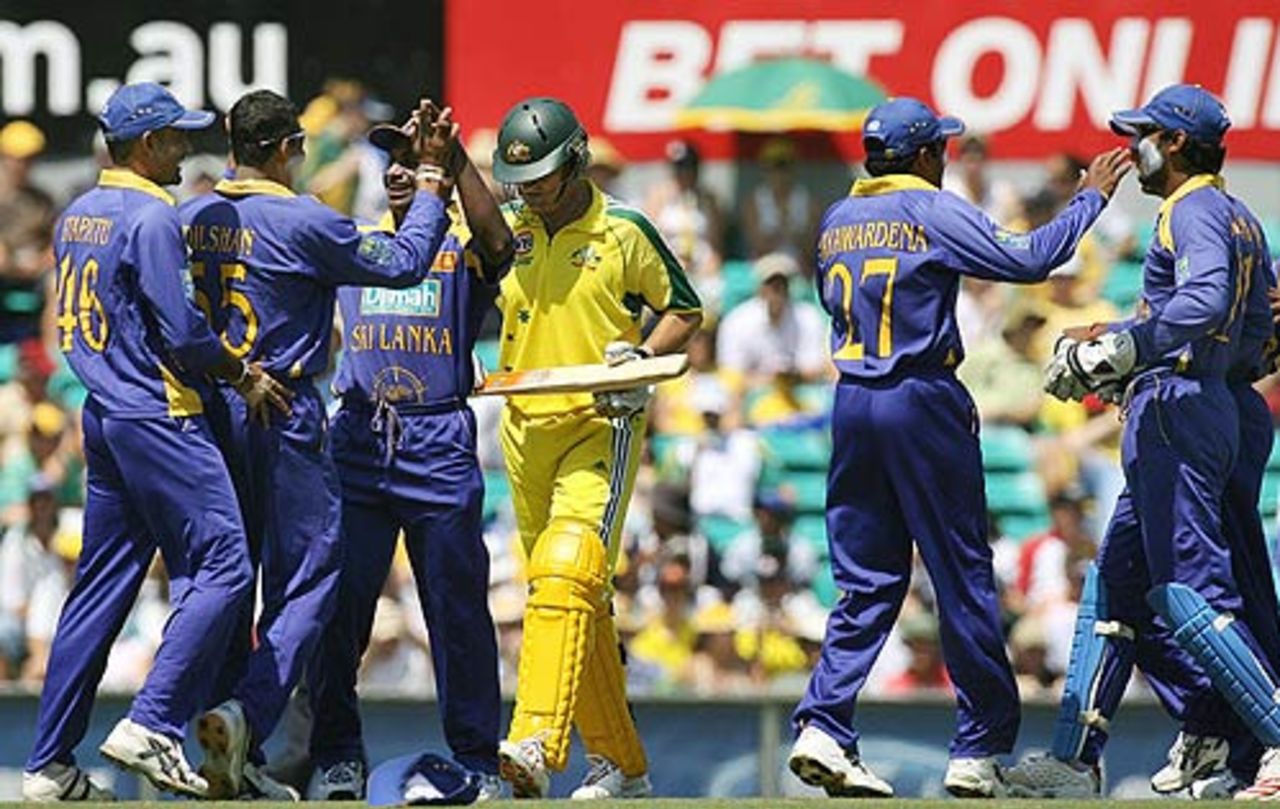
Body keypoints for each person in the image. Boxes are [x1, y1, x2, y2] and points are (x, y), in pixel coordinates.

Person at [785, 96, 1129, 799]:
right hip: (921, 397)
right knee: (961, 570)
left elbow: (830, 299)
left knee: (867, 577)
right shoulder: (929, 208)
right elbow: (1032, 258)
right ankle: (979, 744)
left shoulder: (838, 218)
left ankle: (823, 719)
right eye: (938, 149)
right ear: (921, 156)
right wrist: (1088, 200)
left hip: (851, 399)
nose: (943, 159)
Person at [179, 89, 456, 799]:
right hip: (284, 409)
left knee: (228, 578)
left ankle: (234, 759)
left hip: (214, 404)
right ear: (284, 150)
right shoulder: (302, 220)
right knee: (311, 577)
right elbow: (401, 262)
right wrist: (429, 184)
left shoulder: (192, 216)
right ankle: (245, 711)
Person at [1008, 84, 1280, 801]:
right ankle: (1076, 759)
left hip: (1179, 413)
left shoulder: (1188, 210)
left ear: (1179, 142)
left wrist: (1125, 349)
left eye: (1145, 134)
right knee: (1115, 583)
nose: (1135, 148)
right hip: (1212, 402)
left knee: (1195, 589)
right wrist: (1135, 353)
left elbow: (1205, 300)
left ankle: (1271, 738)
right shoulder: (1241, 216)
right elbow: (1258, 336)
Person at [23, 82, 291, 801]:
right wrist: (242, 374)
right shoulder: (151, 217)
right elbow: (183, 334)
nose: (185, 147)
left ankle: (47, 764)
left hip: (102, 415)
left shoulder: (78, 212)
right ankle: (153, 722)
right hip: (158, 412)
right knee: (229, 568)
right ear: (148, 145)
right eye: (176, 137)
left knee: (99, 590)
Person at [487, 95, 702, 799]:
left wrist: (638, 358)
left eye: (543, 177)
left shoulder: (624, 230)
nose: (531, 192)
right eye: (520, 181)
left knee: (566, 566)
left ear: (576, 160)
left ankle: (534, 740)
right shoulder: (514, 228)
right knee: (574, 596)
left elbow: (684, 308)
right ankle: (623, 766)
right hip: (524, 428)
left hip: (599, 419)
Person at [304, 109, 514, 801]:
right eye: (388, 160)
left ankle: (478, 758)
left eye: (408, 160)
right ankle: (336, 754)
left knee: (457, 612)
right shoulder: (357, 246)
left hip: (438, 441)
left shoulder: (457, 251)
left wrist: (451, 161)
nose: (396, 170)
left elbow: (500, 242)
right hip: (360, 439)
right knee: (341, 608)